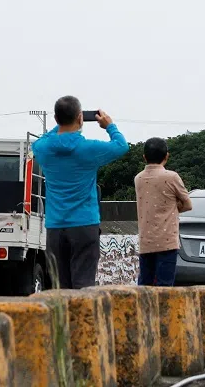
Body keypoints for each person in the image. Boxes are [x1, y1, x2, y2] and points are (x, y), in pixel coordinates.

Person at [31, 96, 129, 289]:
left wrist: (60, 124)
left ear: (56, 118)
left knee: (60, 288)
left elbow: (41, 140)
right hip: (84, 224)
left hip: (55, 227)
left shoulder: (43, 149)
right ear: (80, 117)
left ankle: (63, 320)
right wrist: (110, 126)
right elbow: (121, 146)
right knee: (83, 285)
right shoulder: (89, 148)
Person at [134, 137, 192, 287]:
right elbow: (188, 204)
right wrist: (172, 209)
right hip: (167, 242)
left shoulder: (138, 178)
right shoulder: (172, 177)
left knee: (145, 285)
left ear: (144, 157)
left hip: (146, 240)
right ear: (167, 156)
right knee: (165, 286)